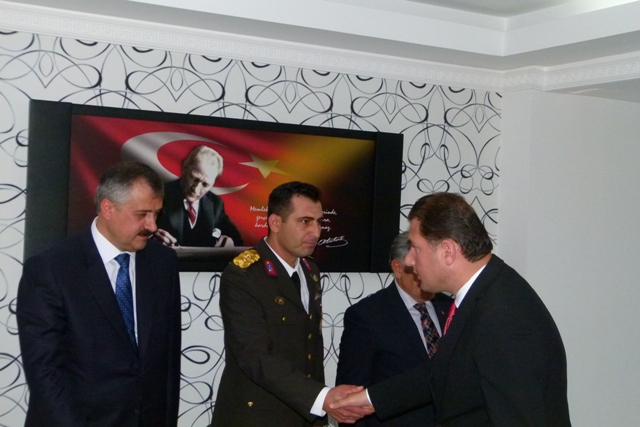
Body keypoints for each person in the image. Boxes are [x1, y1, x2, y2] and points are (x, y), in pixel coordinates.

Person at [330, 192, 571, 426]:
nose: (410, 260)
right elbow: (442, 370)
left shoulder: (504, 315)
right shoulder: (481, 294)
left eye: (416, 248)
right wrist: (369, 399)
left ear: (447, 251)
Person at [17, 161, 182, 427]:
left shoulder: (163, 263)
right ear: (108, 208)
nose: (152, 226)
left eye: (156, 214)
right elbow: (45, 374)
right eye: (142, 214)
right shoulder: (51, 270)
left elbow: (169, 361)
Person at [212, 181, 370, 426]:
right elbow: (255, 357)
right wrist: (322, 398)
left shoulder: (310, 270)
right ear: (275, 223)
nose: (315, 232)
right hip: (258, 416)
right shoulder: (243, 275)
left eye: (319, 222)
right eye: (305, 221)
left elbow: (311, 349)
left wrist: (319, 409)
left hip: (304, 412)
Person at [335, 231, 453, 426]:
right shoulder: (367, 316)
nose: (431, 273)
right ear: (398, 268)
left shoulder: (451, 307)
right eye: (421, 266)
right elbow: (352, 396)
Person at [155, 145, 243, 247]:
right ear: (184, 168)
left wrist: (230, 242)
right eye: (194, 178)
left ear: (212, 184)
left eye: (205, 185)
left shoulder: (215, 203)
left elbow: (237, 240)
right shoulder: (158, 195)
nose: (196, 189)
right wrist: (153, 241)